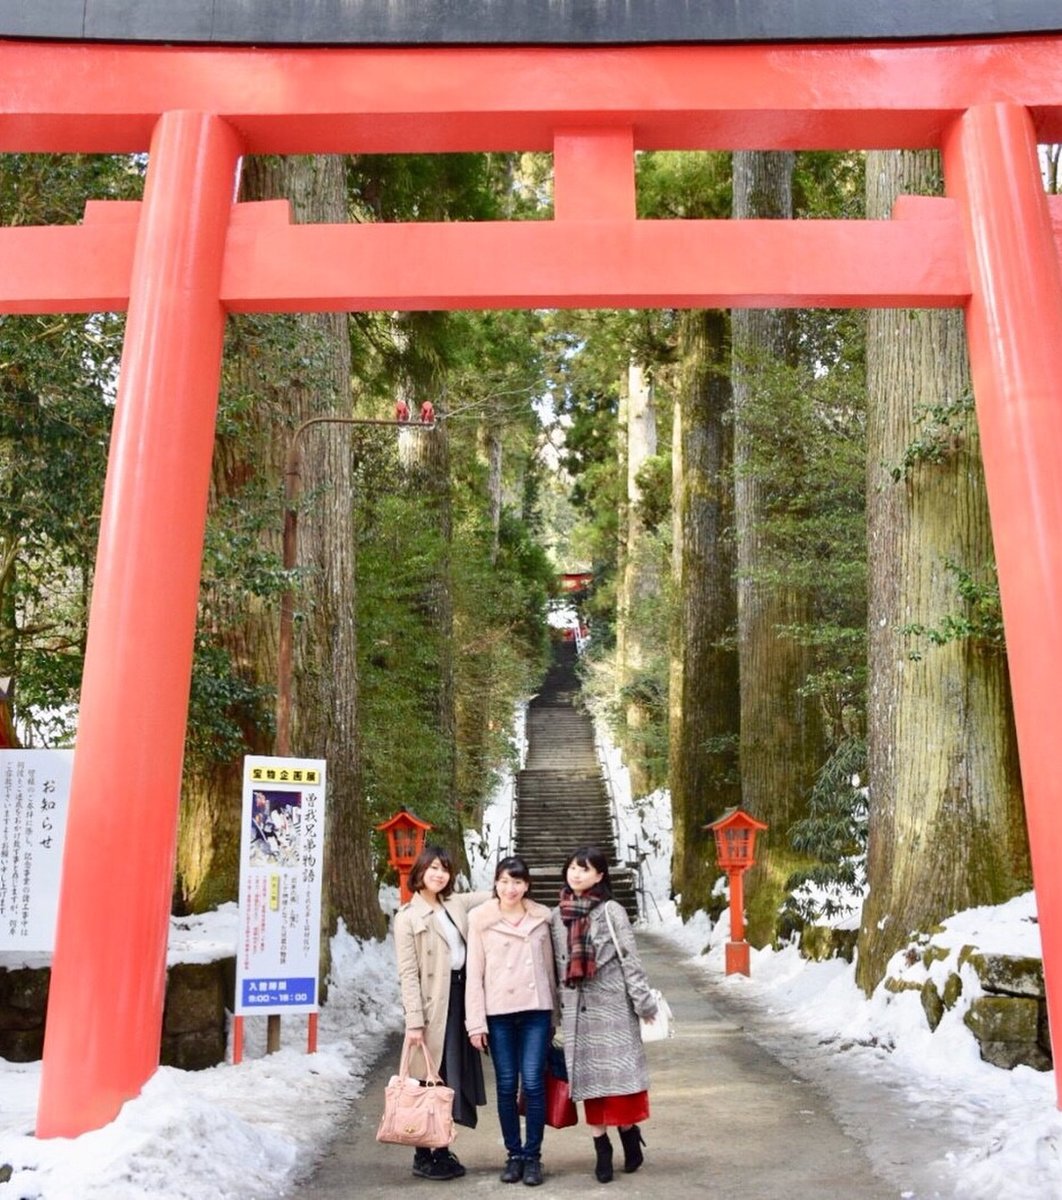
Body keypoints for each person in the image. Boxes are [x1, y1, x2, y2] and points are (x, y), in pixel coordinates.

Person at [550, 845, 657, 1184]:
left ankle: (629, 1135)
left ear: (600, 875)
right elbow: (556, 967)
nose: (577, 873)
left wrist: (643, 1003)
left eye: (585, 868)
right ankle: (602, 1149)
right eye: (573, 867)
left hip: (612, 1009)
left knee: (619, 1088)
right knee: (590, 1087)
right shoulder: (557, 916)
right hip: (577, 1015)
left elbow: (630, 959)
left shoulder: (612, 910)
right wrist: (556, 1013)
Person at [394, 845, 490, 1182]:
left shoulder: (455, 903)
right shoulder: (407, 917)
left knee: (453, 1075)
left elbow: (494, 894)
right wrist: (414, 1021)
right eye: (432, 868)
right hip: (434, 1005)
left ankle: (441, 1145)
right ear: (419, 873)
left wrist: (512, 885)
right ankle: (424, 1152)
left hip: (463, 997)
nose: (439, 874)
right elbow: (408, 973)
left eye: (444, 869)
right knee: (428, 1078)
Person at [465, 856, 557, 1188]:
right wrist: (475, 1023)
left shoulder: (541, 919)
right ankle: (513, 1155)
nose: (511, 888)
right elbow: (474, 974)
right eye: (504, 881)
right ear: (495, 883)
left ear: (527, 885)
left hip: (536, 1011)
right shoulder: (480, 920)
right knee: (506, 1085)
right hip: (498, 1012)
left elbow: (549, 971)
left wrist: (555, 1015)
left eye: (517, 882)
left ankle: (533, 1156)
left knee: (532, 1083)